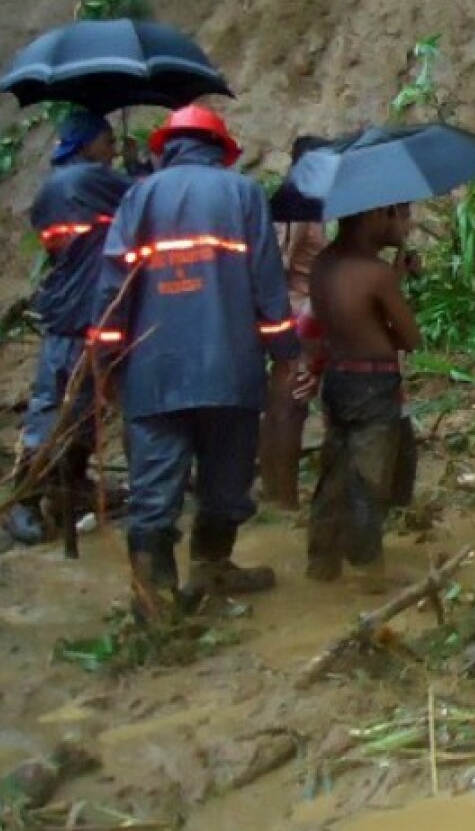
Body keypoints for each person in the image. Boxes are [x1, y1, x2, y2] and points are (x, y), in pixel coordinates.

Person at [93, 105, 299, 623]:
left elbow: (113, 287)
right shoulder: (243, 194)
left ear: (167, 146)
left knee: (155, 485)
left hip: (154, 370)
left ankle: (154, 596)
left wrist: (106, 360)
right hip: (231, 366)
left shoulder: (137, 197)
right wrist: (286, 354)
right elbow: (266, 283)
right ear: (220, 149)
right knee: (225, 479)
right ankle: (213, 567)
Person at [6, 111, 138, 547]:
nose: (113, 146)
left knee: (82, 405)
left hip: (78, 305)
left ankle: (70, 486)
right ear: (87, 144)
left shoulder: (58, 184)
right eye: (107, 140)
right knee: (58, 405)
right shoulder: (85, 179)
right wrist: (138, 170)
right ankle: (24, 499)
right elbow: (146, 198)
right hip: (78, 311)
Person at [305, 201, 420, 586]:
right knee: (368, 481)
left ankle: (322, 563)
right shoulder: (375, 274)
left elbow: (349, 320)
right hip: (373, 384)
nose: (402, 224)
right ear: (373, 216)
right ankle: (366, 572)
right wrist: (393, 283)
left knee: (334, 473)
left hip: (338, 378)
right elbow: (411, 338)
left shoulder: (323, 263)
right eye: (396, 215)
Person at [258, 136, 330, 512]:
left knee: (282, 402)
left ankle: (275, 492)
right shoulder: (299, 204)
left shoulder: (297, 201)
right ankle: (282, 498)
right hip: (299, 313)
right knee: (289, 404)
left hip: (298, 311)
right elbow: (280, 263)